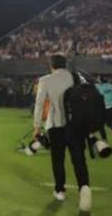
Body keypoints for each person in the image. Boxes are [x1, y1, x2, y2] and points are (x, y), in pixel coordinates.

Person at [33, 54, 91, 212]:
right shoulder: (76, 78)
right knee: (79, 159)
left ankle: (60, 190)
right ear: (65, 64)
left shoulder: (45, 80)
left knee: (58, 160)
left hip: (56, 125)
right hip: (77, 125)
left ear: (51, 65)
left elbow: (39, 104)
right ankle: (84, 187)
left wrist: (37, 126)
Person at [95, 76, 112, 141]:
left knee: (100, 125)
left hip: (103, 108)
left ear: (101, 80)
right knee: (109, 123)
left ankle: (104, 139)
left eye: (98, 79)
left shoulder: (98, 86)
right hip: (111, 107)